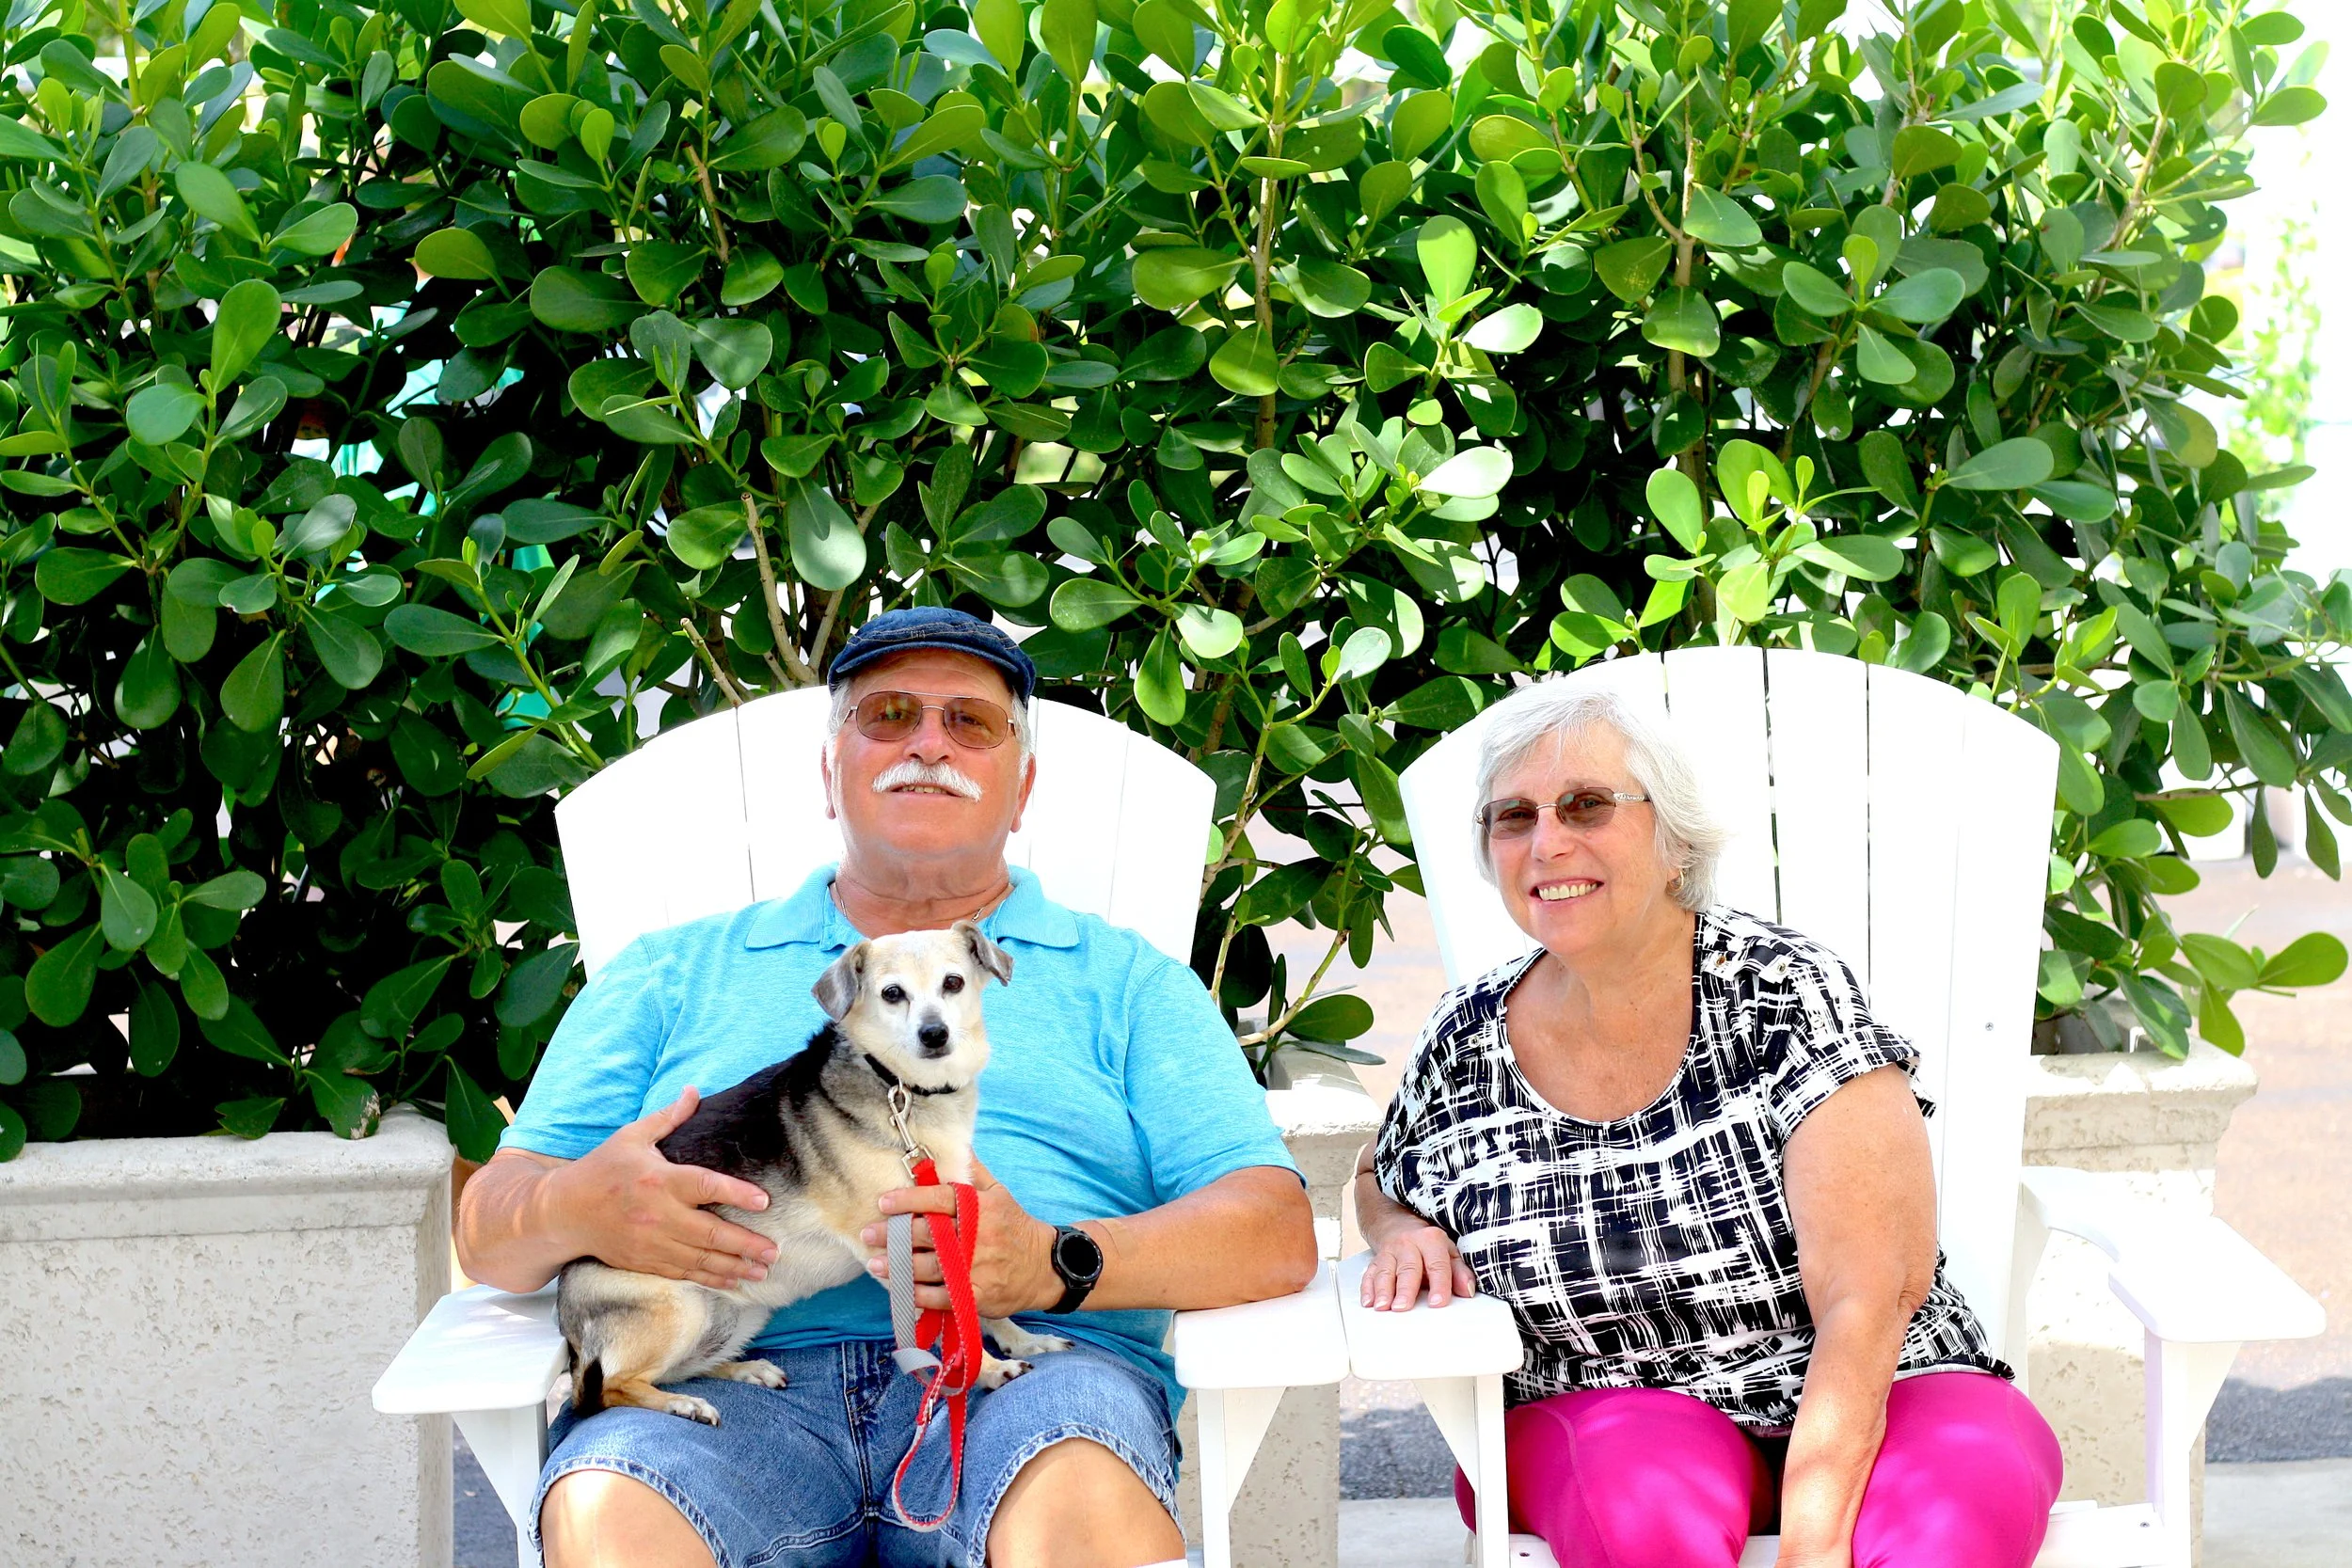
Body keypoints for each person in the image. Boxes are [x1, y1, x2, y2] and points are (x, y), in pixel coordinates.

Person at [458, 606, 1318, 1568]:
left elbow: (1274, 1230)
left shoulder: (1129, 980)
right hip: (728, 1386)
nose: (926, 743)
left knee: (1076, 1498)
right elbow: (488, 1228)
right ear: (830, 771)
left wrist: (1052, 1260)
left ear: (1021, 785)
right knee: (609, 1507)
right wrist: (575, 1204)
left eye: (970, 721)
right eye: (887, 713)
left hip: (1024, 1378)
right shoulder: (670, 972)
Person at [1352, 680, 2063, 1568]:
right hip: (1606, 1406)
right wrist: (1400, 1226)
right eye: (1513, 817)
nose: (1547, 841)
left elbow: (1869, 1291)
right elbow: (1383, 1168)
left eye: (1586, 804)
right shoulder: (1467, 1034)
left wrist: (1811, 1541)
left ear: (1674, 837)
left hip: (1884, 1383)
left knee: (1953, 1516)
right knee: (1642, 1518)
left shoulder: (1781, 994)